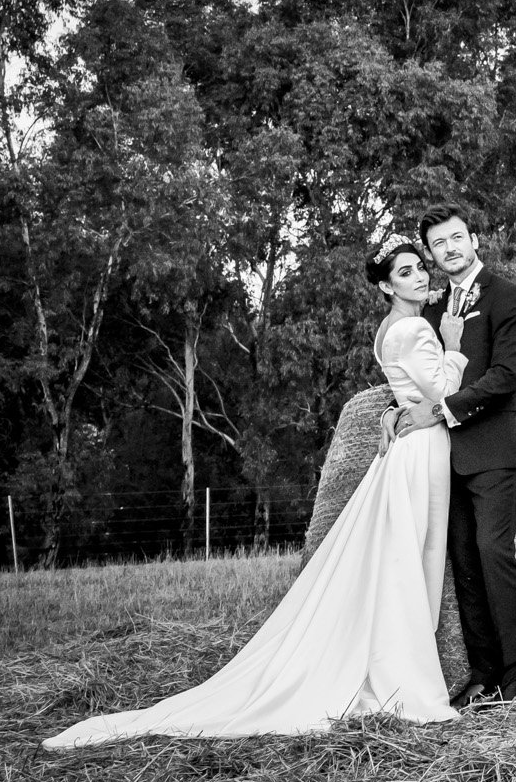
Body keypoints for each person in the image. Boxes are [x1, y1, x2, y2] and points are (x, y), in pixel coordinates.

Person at [44, 237, 466, 746]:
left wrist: (393, 410)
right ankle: (408, 683)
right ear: (385, 285)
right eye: (405, 272)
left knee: (402, 559)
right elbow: (442, 391)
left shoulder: (386, 331)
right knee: (412, 560)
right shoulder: (419, 327)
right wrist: (456, 346)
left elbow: (406, 390)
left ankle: (397, 667)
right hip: (421, 450)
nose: (420, 276)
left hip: (407, 447)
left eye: (420, 268)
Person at [418, 201, 516, 706]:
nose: (450, 248)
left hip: (493, 447)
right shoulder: (428, 310)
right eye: (438, 243)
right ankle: (483, 673)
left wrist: (446, 408)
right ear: (430, 254)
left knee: (494, 553)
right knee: (463, 563)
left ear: (474, 240)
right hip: (442, 455)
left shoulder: (511, 299)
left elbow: (505, 378)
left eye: (456, 237)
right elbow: (419, 375)